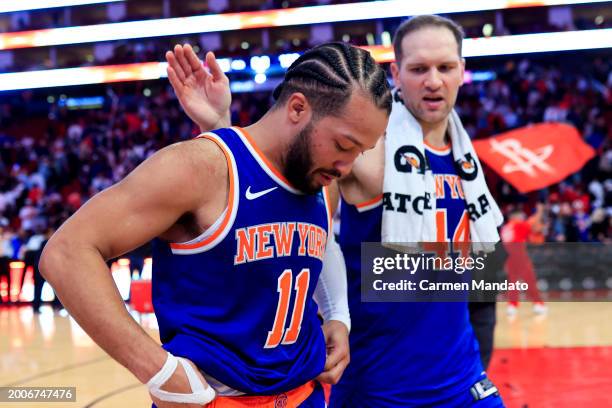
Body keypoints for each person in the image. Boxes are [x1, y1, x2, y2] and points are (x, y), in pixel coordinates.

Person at [170, 15, 506, 407]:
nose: (433, 80)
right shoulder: (363, 151)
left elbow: (479, 271)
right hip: (380, 385)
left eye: (445, 67)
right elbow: (281, 208)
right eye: (419, 69)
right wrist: (221, 126)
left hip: (465, 381)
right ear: (396, 72)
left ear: (462, 71)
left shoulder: (467, 159)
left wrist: (481, 352)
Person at [39, 42, 391, 408]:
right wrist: (160, 372)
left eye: (359, 151)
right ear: (298, 107)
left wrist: (338, 316)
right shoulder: (199, 167)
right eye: (344, 144)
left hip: (306, 395)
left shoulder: (321, 177)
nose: (347, 166)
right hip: (213, 400)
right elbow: (66, 253)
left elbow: (320, 244)